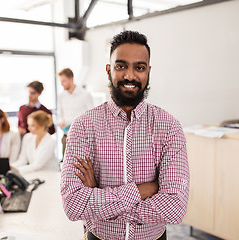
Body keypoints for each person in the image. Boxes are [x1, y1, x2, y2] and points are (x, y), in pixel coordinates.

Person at [60, 30, 190, 240]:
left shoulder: (169, 127)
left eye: (139, 67)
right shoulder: (83, 126)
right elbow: (73, 205)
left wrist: (99, 200)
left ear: (148, 71)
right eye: (121, 66)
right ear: (109, 69)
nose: (130, 76)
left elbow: (174, 208)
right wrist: (143, 190)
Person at [57, 68, 94, 158]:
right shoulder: (61, 96)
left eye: (64, 81)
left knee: (81, 165)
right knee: (66, 165)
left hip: (82, 138)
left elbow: (91, 115)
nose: (62, 84)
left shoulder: (85, 95)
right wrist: (60, 122)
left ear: (71, 79)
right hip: (66, 136)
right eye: (61, 81)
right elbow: (59, 113)